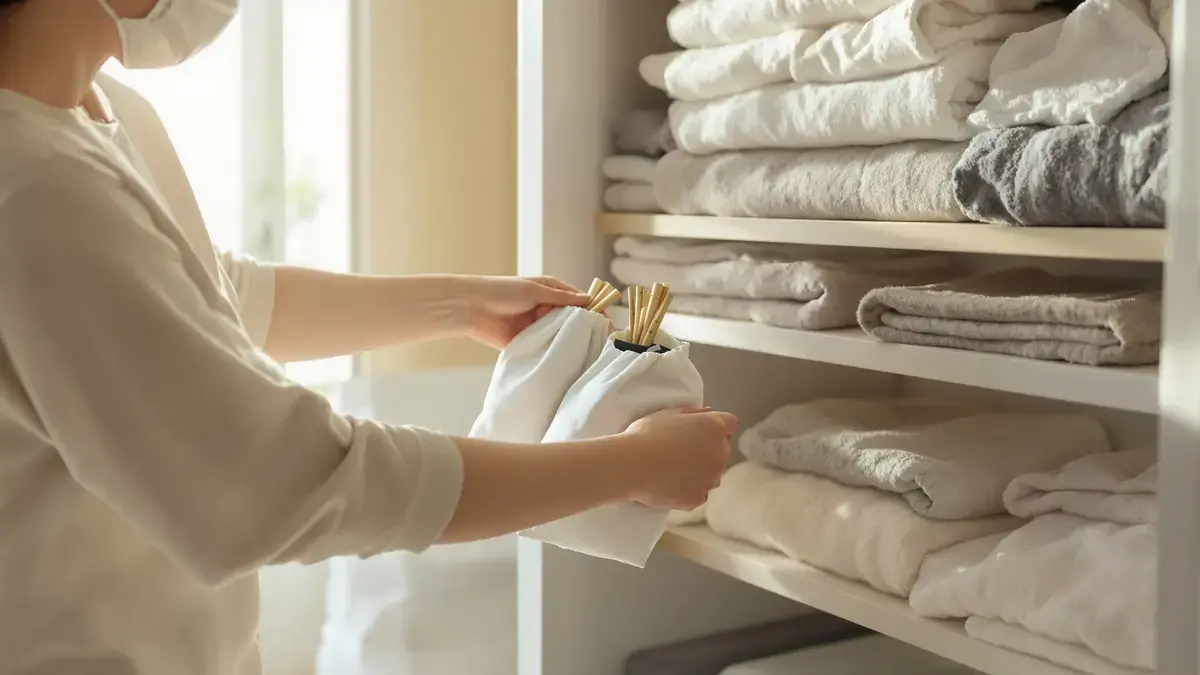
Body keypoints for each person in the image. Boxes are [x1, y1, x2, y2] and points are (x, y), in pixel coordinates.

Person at [0, 1, 738, 673]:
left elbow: (206, 296)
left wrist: (460, 301)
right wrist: (630, 463)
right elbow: (282, 481)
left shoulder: (105, 111)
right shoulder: (34, 184)